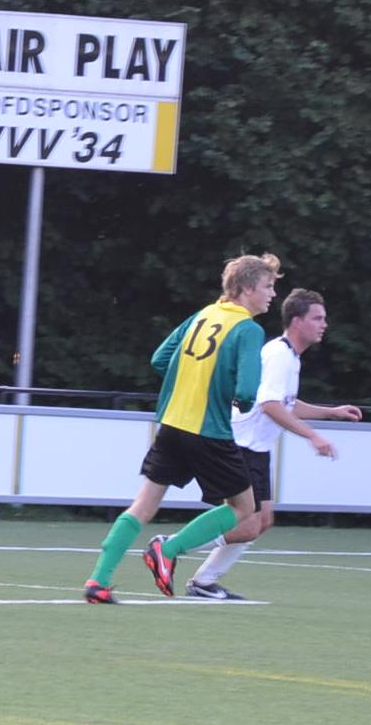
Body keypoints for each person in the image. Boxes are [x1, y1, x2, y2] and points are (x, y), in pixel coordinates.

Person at [83, 253, 278, 603]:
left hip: (172, 424)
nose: (272, 294)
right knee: (244, 508)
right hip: (209, 431)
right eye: (268, 286)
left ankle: (98, 581)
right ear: (248, 288)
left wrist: (190, 379)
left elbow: (160, 358)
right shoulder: (249, 329)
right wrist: (241, 400)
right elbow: (248, 391)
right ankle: (169, 549)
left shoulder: (202, 315)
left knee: (143, 505)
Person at [186, 288, 361, 599]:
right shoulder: (279, 355)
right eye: (317, 318)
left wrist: (331, 412)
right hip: (241, 446)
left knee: (263, 520)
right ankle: (169, 547)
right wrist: (312, 435)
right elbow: (270, 406)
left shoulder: (289, 357)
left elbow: (286, 404)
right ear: (297, 321)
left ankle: (203, 582)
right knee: (248, 524)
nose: (324, 324)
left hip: (256, 450)